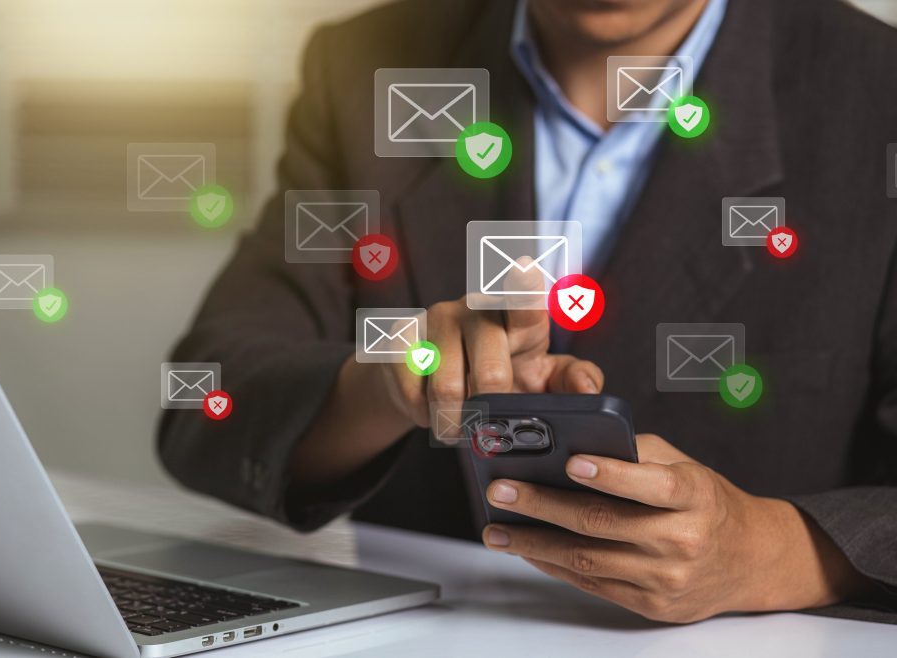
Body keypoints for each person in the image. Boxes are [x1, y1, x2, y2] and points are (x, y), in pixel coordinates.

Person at [159, 0, 897, 624]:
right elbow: (207, 393)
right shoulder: (365, 66)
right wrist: (382, 384)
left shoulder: (875, 90)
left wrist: (772, 552)